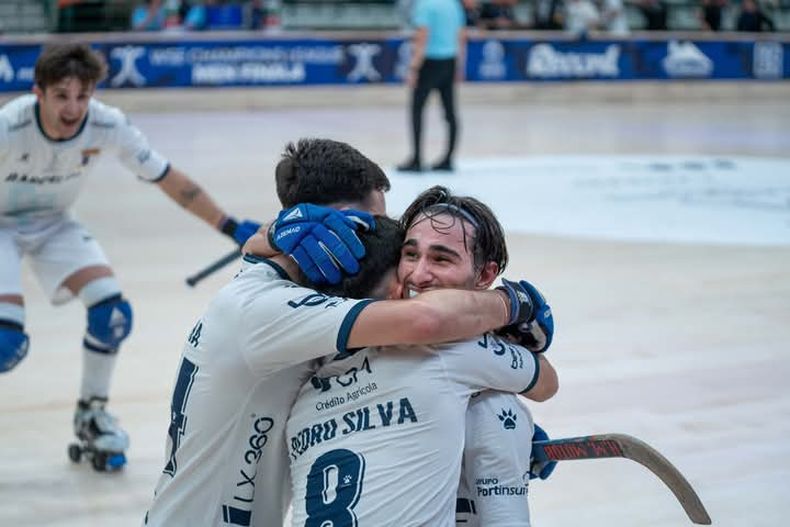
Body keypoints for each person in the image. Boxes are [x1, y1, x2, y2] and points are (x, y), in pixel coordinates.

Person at [144, 139, 540, 526]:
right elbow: (425, 321)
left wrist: (468, 411)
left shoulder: (285, 288)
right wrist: (514, 303)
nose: (380, 238)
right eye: (373, 222)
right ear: (342, 221)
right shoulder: (271, 309)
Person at [0, 43, 260, 471]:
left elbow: (168, 178)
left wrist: (229, 225)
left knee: (113, 316)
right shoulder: (10, 126)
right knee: (5, 344)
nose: (73, 108)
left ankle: (92, 411)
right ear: (38, 93)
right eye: (61, 96)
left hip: (54, 223)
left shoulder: (106, 124)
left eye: (82, 96)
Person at [287, 185, 559, 525]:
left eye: (441, 259)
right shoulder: (454, 351)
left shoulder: (314, 363)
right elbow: (546, 382)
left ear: (485, 274)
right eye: (411, 255)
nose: (418, 274)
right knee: (498, 411)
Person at [397, 0, 466, 173]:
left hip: (429, 62)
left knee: (417, 110)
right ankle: (448, 158)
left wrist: (414, 67)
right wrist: (459, 65)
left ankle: (417, 158)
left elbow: (422, 35)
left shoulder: (424, 5)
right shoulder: (453, 4)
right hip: (449, 61)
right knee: (450, 111)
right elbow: (461, 35)